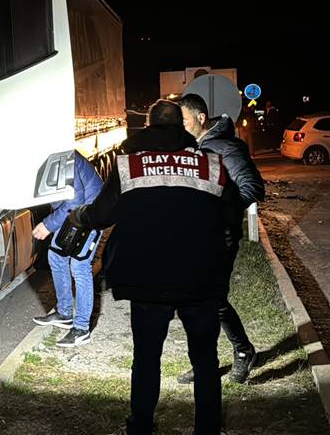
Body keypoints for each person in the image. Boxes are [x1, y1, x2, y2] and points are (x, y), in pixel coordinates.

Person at [70, 99, 227, 435]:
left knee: (146, 358)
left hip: (148, 280)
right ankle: (208, 429)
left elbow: (102, 215)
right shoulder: (210, 165)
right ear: (181, 129)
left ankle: (140, 426)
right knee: (204, 361)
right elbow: (229, 217)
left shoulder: (129, 165)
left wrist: (78, 216)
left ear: (147, 127)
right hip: (199, 279)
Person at [178, 94, 266, 384]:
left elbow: (252, 187)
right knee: (195, 299)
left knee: (212, 299)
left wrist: (220, 215)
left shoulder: (226, 147)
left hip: (221, 236)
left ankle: (244, 351)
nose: (181, 125)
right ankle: (205, 361)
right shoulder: (195, 146)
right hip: (198, 236)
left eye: (185, 120)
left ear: (200, 118)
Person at [31, 151, 104, 347]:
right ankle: (64, 313)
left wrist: (48, 225)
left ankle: (81, 329)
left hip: (90, 212)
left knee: (79, 266)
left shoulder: (63, 156)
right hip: (75, 213)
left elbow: (74, 202)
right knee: (56, 256)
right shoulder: (50, 153)